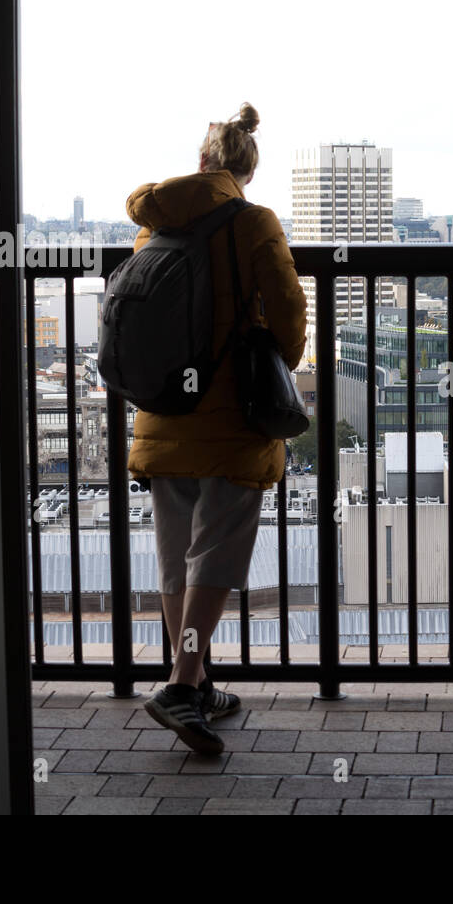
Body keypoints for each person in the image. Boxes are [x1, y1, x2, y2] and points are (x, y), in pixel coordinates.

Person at [128, 103, 307, 754]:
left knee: (176, 556)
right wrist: (277, 361)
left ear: (202, 161)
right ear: (244, 172)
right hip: (229, 416)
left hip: (160, 412)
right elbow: (288, 311)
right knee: (216, 555)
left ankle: (195, 683)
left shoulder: (155, 224)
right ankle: (181, 683)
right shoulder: (252, 222)